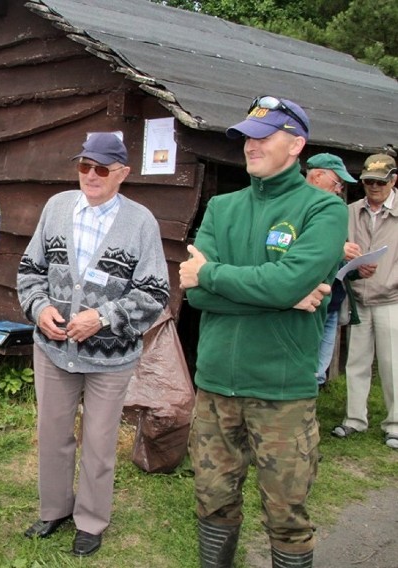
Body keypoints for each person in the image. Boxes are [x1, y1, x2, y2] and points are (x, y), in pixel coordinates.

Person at [179, 97, 348, 568]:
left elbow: (229, 282)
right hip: (214, 386)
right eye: (247, 138)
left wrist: (218, 276)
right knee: (212, 499)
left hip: (282, 390)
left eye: (264, 136)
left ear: (296, 144)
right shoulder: (221, 206)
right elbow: (195, 296)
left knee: (286, 513)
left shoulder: (323, 210)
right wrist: (279, 292)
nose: (250, 146)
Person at [16, 132, 169, 557]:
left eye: (102, 169)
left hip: (110, 358)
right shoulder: (57, 208)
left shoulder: (140, 222)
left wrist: (103, 318)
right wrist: (39, 308)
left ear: (122, 174)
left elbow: (155, 294)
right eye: (85, 166)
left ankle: (91, 520)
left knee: (100, 442)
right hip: (53, 350)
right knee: (52, 434)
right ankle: (54, 510)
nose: (91, 176)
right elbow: (30, 270)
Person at [331, 153, 398, 450]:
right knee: (355, 362)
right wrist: (349, 258)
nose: (373, 187)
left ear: (394, 180)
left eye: (380, 182)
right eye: (369, 181)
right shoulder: (350, 211)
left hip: (391, 298)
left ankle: (394, 424)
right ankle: (355, 419)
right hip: (357, 299)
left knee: (392, 364)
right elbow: (336, 248)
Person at [304, 153, 358, 389]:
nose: (339, 190)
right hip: (305, 305)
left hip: (331, 303)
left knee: (317, 373)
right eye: (337, 183)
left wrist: (357, 268)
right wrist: (338, 249)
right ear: (317, 177)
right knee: (303, 371)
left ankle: (308, 420)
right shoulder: (295, 208)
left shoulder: (332, 211)